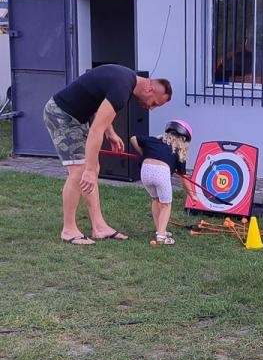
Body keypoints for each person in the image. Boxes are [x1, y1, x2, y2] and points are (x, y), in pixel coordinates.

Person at [43, 64, 172, 245]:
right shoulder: (122, 89)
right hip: (61, 115)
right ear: (150, 88)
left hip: (78, 117)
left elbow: (98, 102)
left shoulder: (126, 80)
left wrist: (110, 133)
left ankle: (99, 227)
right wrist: (88, 169)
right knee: (79, 172)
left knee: (93, 168)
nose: (151, 108)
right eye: (155, 103)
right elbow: (96, 130)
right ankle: (68, 229)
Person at [130, 119, 195, 245]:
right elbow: (183, 178)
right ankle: (161, 236)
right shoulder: (178, 152)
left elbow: (133, 138)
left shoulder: (153, 140)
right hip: (161, 173)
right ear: (184, 139)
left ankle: (160, 230)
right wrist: (192, 195)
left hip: (145, 171)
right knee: (166, 205)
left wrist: (144, 154)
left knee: (156, 199)